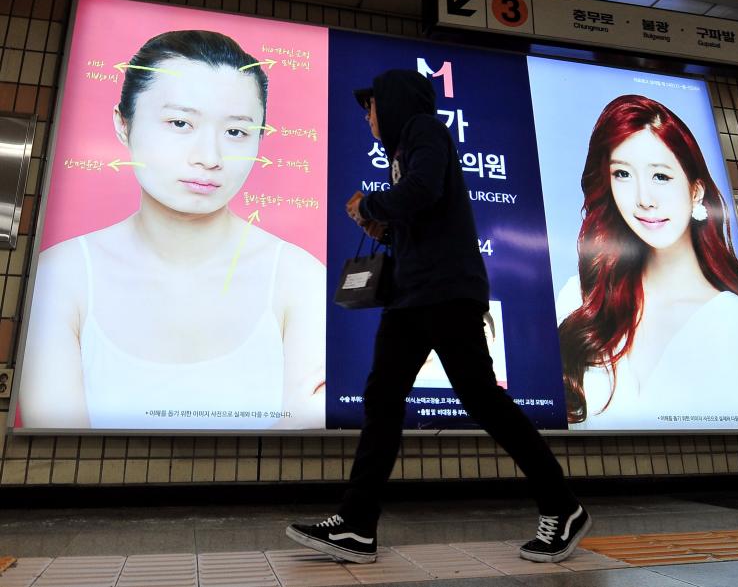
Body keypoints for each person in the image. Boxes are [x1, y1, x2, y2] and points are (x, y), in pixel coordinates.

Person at [286, 69, 590, 564]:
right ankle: (358, 524)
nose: (367, 118)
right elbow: (424, 218)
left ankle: (563, 505)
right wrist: (380, 225)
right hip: (413, 296)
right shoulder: (402, 150)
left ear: (394, 103)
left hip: (445, 295)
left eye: (371, 107)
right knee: (383, 398)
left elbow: (424, 191)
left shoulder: (423, 130)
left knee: (482, 401)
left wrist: (371, 203)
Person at [17, 30, 326, 430]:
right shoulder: (62, 275)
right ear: (123, 124)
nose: (209, 158)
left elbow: (301, 447)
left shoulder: (299, 278)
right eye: (180, 123)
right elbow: (57, 450)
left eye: (235, 132)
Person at [557, 95, 738, 430]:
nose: (644, 199)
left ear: (696, 191)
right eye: (622, 174)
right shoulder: (580, 300)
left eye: (660, 176)